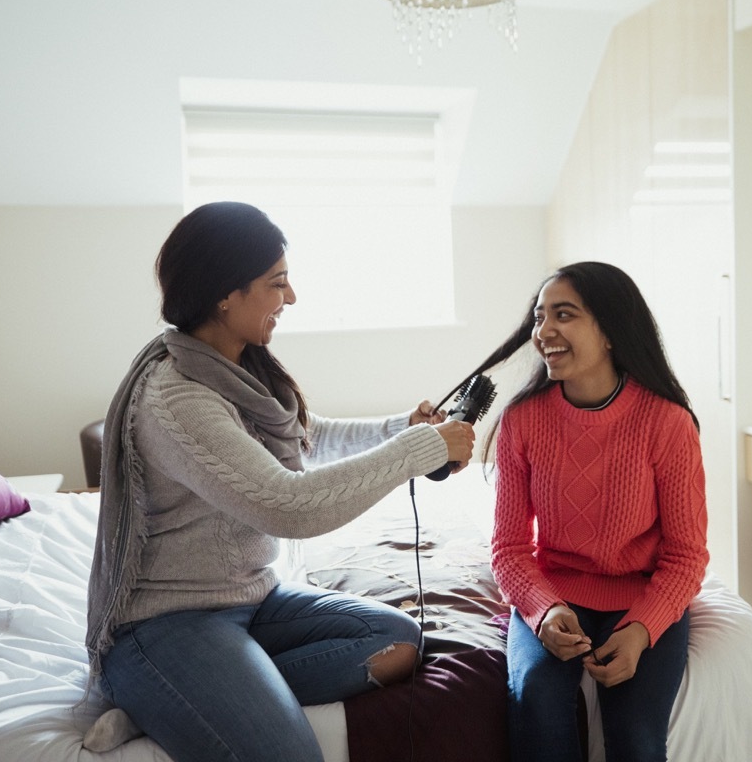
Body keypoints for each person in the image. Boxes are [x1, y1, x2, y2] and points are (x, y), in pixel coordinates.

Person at [84, 201, 474, 762]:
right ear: (225, 293)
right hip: (167, 623)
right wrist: (416, 451)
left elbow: (304, 433)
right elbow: (289, 507)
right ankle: (163, 689)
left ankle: (178, 701)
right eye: (277, 283)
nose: (290, 299)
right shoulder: (176, 397)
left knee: (397, 641)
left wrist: (400, 428)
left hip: (250, 599)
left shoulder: (231, 365)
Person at [459, 261, 708, 762]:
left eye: (563, 315)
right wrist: (543, 610)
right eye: (538, 317)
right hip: (555, 594)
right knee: (537, 702)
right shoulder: (523, 421)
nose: (543, 332)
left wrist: (641, 631)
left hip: (641, 597)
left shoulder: (667, 424)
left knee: (637, 738)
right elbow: (509, 549)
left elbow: (686, 557)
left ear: (611, 330)